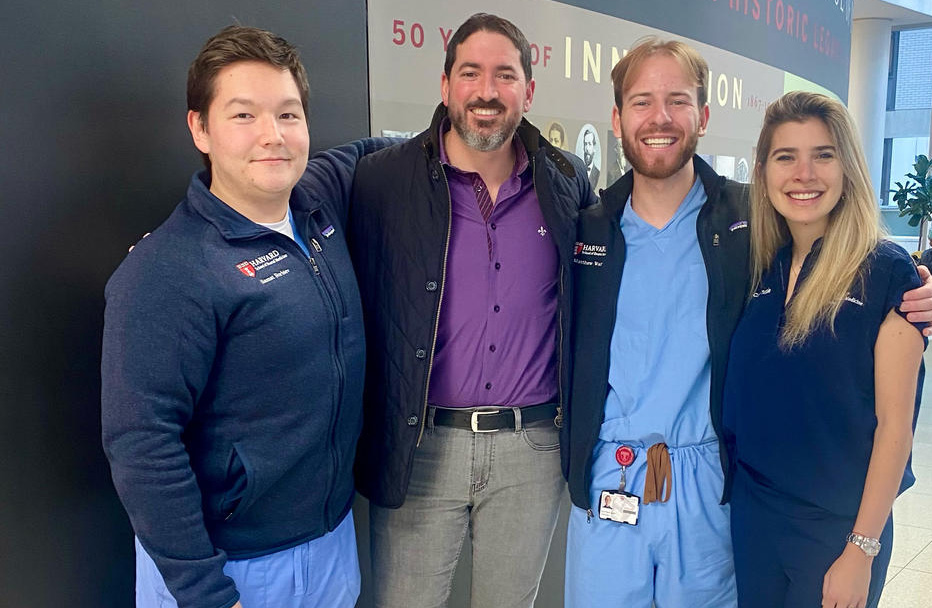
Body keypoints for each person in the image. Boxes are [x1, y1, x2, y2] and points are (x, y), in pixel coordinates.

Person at [562, 42, 932, 607]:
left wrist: (917, 289)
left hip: (710, 484)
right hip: (612, 478)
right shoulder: (587, 230)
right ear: (617, 118)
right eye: (642, 101)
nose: (660, 118)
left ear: (704, 116)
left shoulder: (747, 225)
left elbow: (846, 253)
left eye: (678, 101)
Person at [101, 26, 391, 608]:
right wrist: (206, 592)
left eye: (288, 115)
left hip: (330, 543)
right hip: (229, 570)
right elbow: (142, 443)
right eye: (243, 116)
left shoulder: (317, 208)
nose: (271, 136)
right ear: (199, 129)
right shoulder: (167, 268)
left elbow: (372, 148)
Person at [346, 13, 594, 608]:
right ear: (446, 84)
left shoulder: (566, 182)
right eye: (471, 73)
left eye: (505, 75)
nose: (487, 91)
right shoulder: (381, 181)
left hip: (531, 449)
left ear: (528, 91)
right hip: (421, 445)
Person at [723, 91, 927, 608]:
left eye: (823, 155)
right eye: (786, 156)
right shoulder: (761, 265)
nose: (804, 174)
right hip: (755, 518)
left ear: (848, 167)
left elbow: (895, 429)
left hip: (836, 530)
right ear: (764, 170)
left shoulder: (885, 271)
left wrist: (861, 550)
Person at [578, 124, 601, 191]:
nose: (587, 148)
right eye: (585, 144)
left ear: (594, 148)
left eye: (590, 144)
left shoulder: (597, 172)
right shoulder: (579, 172)